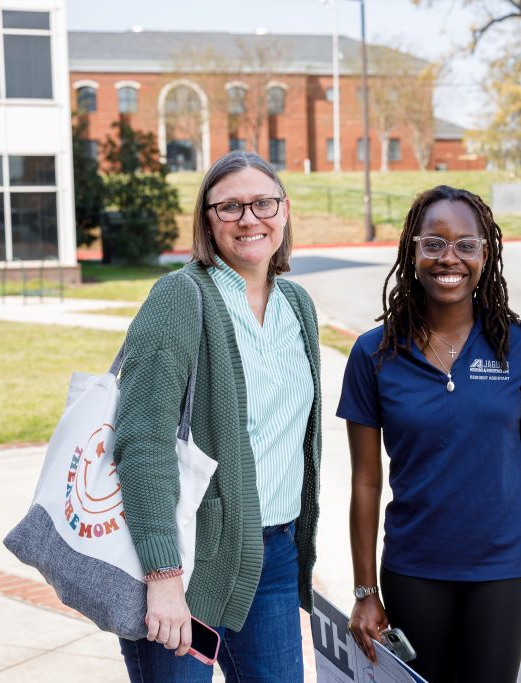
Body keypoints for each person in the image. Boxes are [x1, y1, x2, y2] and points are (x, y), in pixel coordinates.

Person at [337, 185, 521, 683]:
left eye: (466, 244)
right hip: (415, 569)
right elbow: (365, 483)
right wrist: (364, 589)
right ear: (411, 252)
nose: (450, 258)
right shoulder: (373, 354)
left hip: (506, 567)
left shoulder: (520, 344)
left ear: (486, 254)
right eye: (434, 243)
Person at [114, 150, 321, 682]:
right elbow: (142, 439)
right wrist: (162, 574)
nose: (249, 218)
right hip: (187, 562)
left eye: (262, 203)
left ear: (285, 210)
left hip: (272, 557)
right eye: (229, 207)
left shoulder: (297, 305)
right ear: (207, 220)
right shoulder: (180, 298)